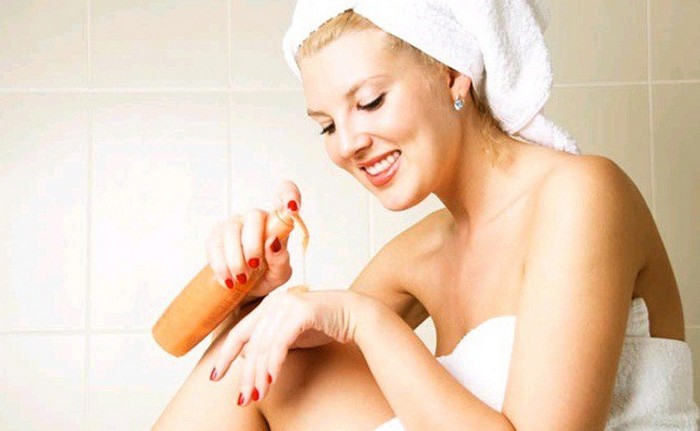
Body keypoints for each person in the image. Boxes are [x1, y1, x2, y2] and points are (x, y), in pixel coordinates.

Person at [153, 1, 699, 430]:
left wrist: (363, 319)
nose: (347, 143)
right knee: (268, 367)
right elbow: (273, 366)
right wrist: (254, 298)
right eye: (327, 125)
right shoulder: (417, 254)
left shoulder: (581, 195)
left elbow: (351, 321)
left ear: (453, 73)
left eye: (370, 102)